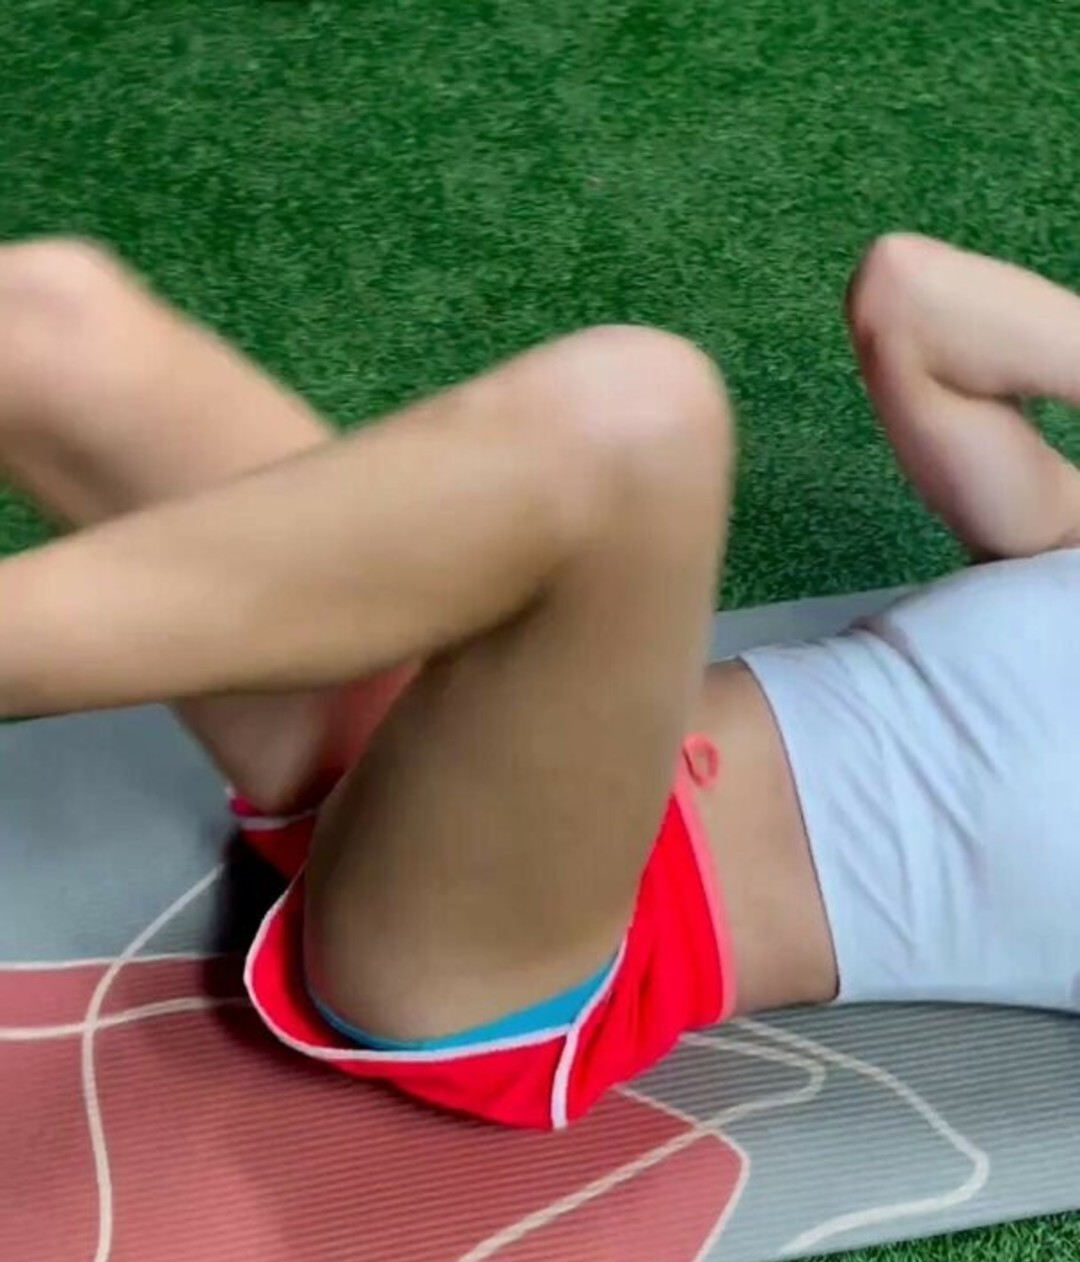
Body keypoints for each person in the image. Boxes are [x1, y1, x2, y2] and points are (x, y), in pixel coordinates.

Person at [0, 232, 1077, 1130]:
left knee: (643, 424)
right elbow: (912, 298)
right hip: (444, 732)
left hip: (547, 947)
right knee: (52, 319)